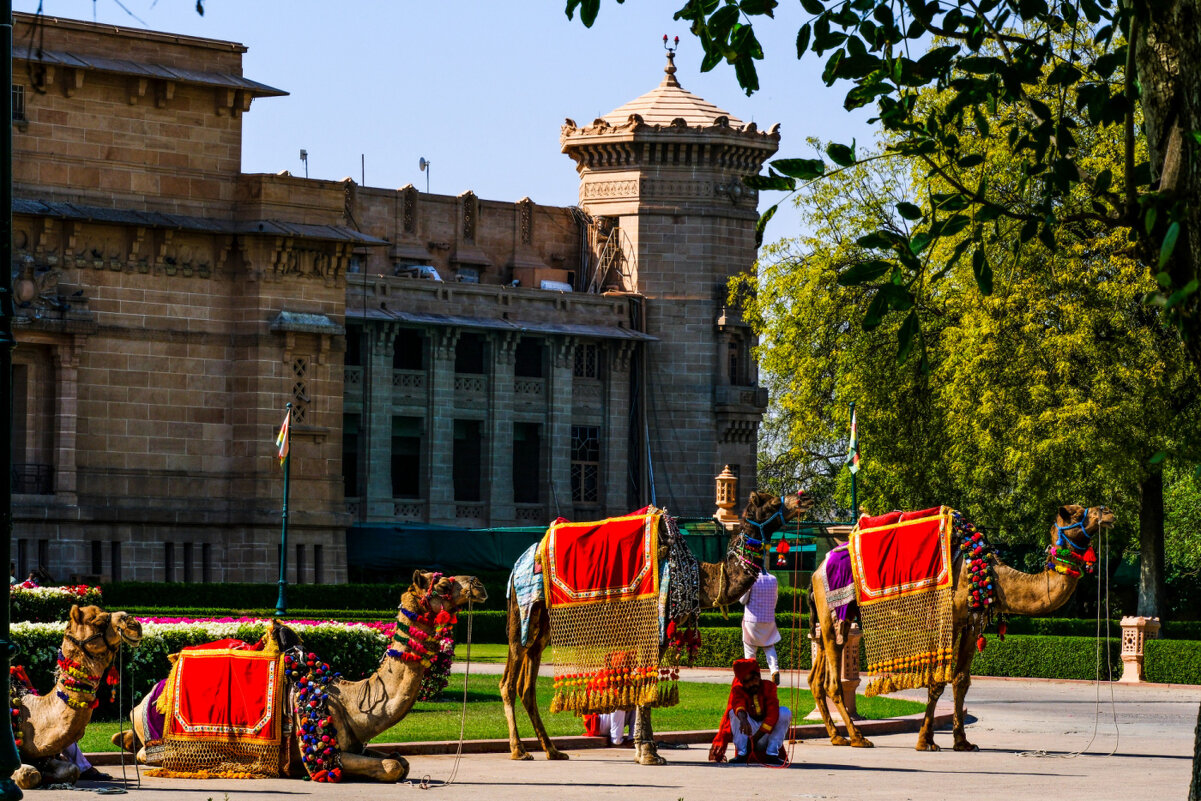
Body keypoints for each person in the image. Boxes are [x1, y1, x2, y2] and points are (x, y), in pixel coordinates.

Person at [708, 658, 791, 766]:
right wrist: (743, 720)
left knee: (784, 712)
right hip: (748, 731)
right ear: (742, 682)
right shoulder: (738, 690)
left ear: (759, 676)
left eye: (753, 679)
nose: (751, 684)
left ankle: (772, 753)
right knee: (733, 712)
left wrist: (755, 739)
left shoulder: (769, 687)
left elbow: (772, 714)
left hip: (766, 734)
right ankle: (743, 753)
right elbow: (738, 704)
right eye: (746, 682)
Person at [740, 565, 781, 685]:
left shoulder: (751, 579)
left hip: (751, 620)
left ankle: (751, 674)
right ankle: (774, 670)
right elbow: (775, 599)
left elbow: (742, 600)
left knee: (750, 648)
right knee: (769, 646)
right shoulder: (773, 579)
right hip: (768, 619)